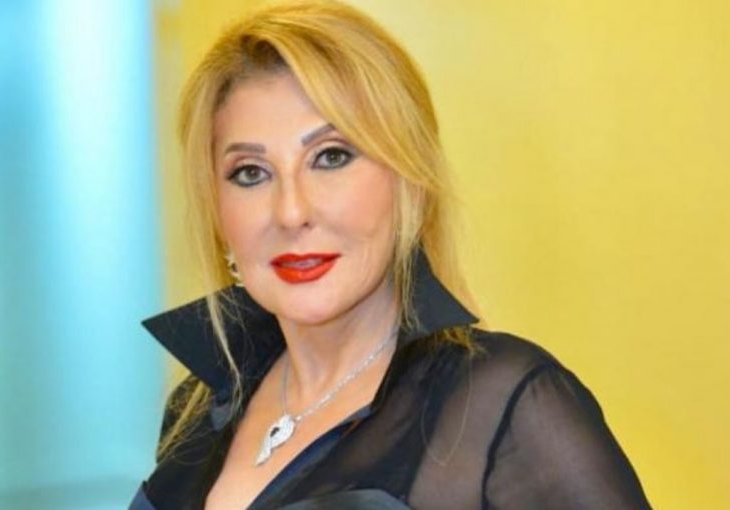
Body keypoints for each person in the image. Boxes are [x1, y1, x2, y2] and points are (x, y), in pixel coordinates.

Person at [130, 1, 652, 508]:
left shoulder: (503, 406)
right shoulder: (197, 408)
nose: (290, 212)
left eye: (331, 157)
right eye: (250, 173)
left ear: (410, 183)